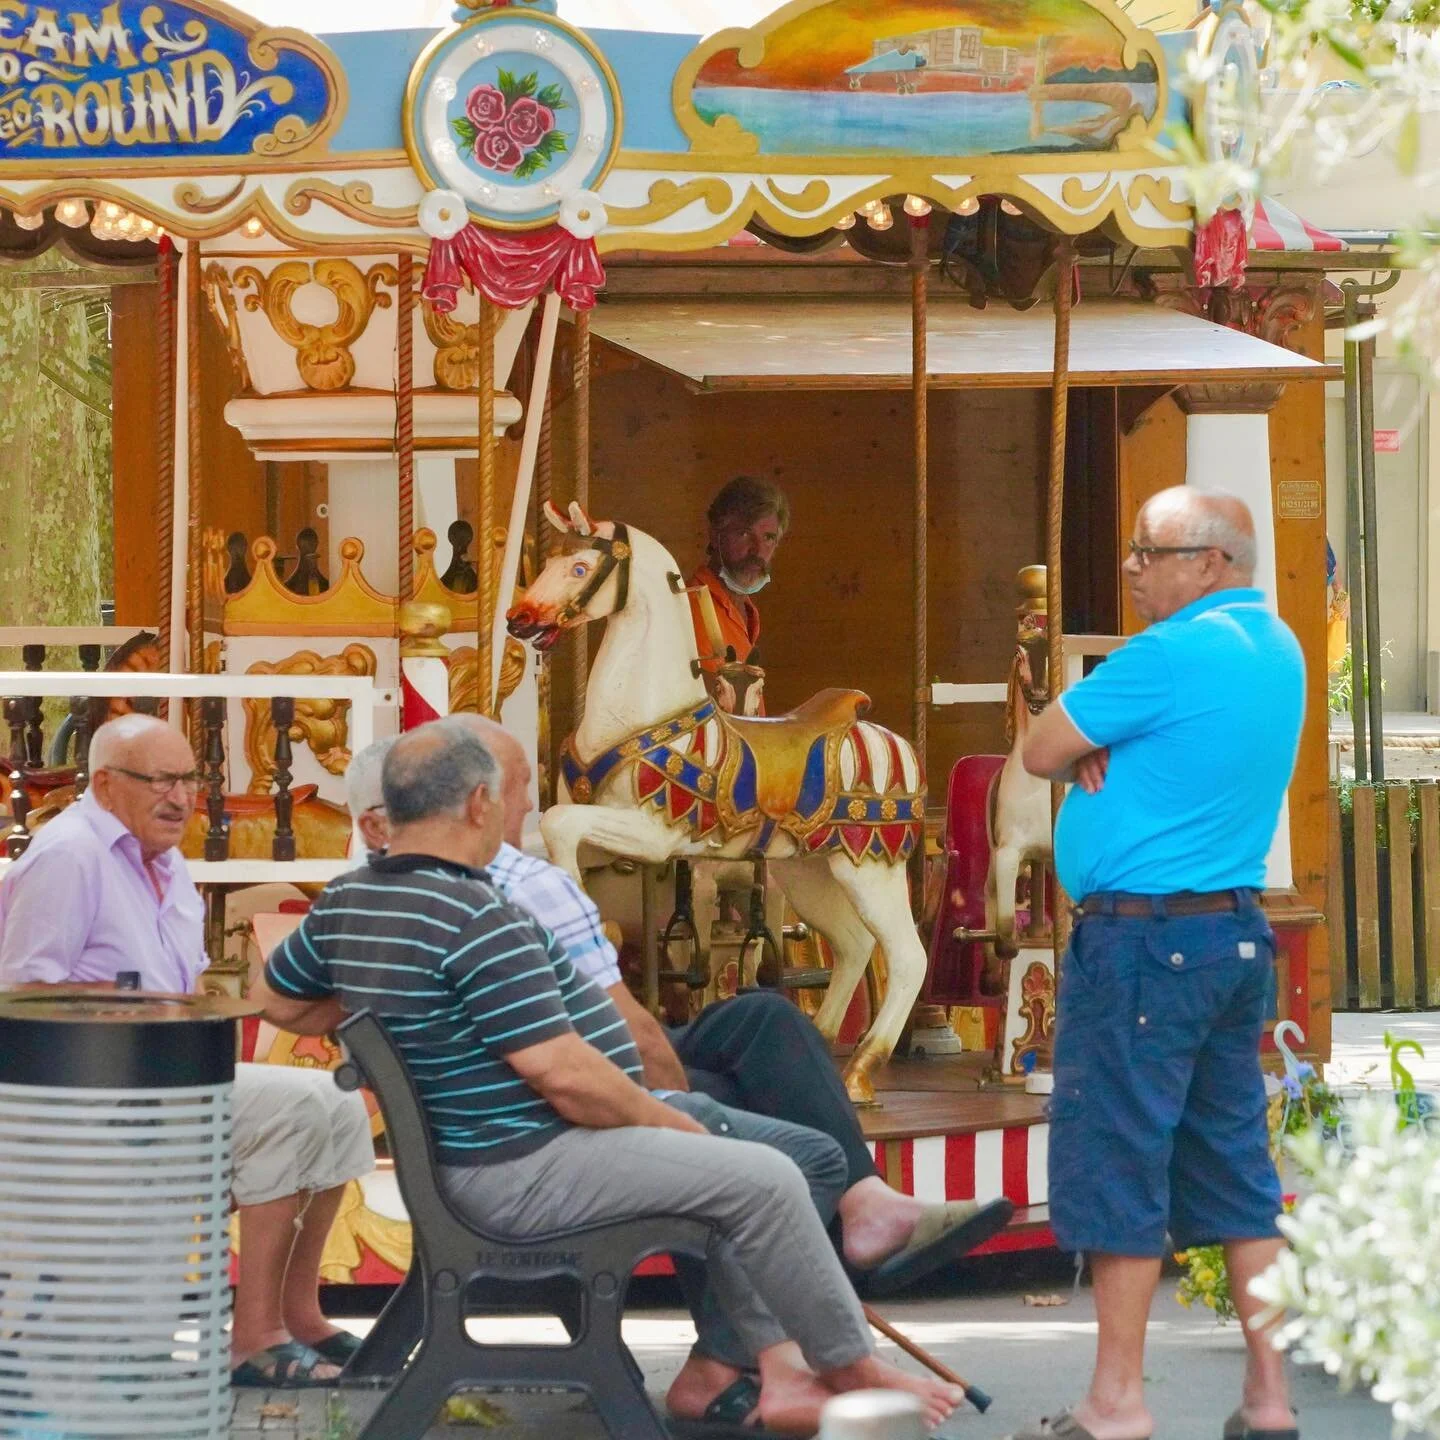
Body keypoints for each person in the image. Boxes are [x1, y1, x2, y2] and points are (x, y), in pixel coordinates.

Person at [259, 721, 966, 1435]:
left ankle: (785, 1373)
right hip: (519, 1166)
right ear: (478, 803)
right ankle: (852, 1369)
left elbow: (278, 997)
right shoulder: (477, 915)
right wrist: (673, 1124)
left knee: (740, 1171)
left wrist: (393, 1005)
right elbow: (568, 1079)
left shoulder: (348, 900)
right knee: (768, 1175)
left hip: (481, 1159)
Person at [345, 723, 1011, 1307]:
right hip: (574, 1091)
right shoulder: (514, 886)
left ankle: (860, 1211)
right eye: (509, 787)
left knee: (763, 1020)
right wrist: (678, 1114)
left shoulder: (365, 900)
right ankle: (771, 1327)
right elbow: (622, 1038)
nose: (524, 802)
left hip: (524, 1091)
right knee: (762, 1109)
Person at [1016, 488, 1303, 1440]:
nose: (1133, 565)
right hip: (1230, 934)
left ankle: (1117, 1403)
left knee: (1117, 1159)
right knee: (1236, 1171)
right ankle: (1270, 1399)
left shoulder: (1169, 654)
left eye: (1151, 551)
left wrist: (1082, 749)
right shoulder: (1279, 645)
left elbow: (1037, 746)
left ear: (1212, 563)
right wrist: (1101, 747)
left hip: (1144, 943)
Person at [0, 714, 375, 1389]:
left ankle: (299, 1316)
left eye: (190, 780)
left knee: (335, 1101)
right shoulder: (68, 856)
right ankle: (253, 1339)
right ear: (107, 784)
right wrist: (130, 1012)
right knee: (289, 1110)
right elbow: (24, 992)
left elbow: (189, 982)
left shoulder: (166, 861)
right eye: (162, 781)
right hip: (87, 1094)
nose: (181, 798)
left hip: (164, 1076)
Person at [688, 476, 789, 714]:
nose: (757, 550)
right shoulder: (692, 606)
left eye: (769, 537)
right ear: (715, 535)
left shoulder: (747, 610)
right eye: (744, 534)